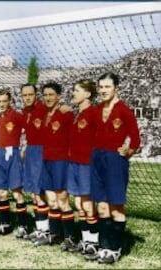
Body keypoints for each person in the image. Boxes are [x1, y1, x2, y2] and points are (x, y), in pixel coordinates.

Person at [87, 72, 140, 264]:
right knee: (101, 206)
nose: (103, 91)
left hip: (114, 160)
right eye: (100, 87)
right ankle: (104, 247)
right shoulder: (97, 109)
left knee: (115, 206)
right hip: (97, 158)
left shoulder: (124, 110)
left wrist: (128, 150)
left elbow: (136, 138)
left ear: (116, 88)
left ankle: (115, 249)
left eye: (107, 87)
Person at [34, 82, 75, 250]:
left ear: (59, 96)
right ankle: (55, 235)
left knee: (62, 199)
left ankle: (70, 238)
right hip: (46, 160)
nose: (48, 98)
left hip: (61, 161)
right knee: (51, 200)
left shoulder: (66, 114)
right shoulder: (43, 113)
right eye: (45, 95)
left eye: (51, 94)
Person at [0, 89, 27, 238]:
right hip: (0, 154)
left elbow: (29, 131)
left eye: (4, 101)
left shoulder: (17, 117)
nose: (2, 104)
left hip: (14, 154)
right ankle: (5, 224)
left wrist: (24, 148)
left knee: (17, 193)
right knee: (1, 192)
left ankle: (22, 226)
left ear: (10, 101)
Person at [67, 79, 99, 253]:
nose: (73, 93)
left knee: (87, 204)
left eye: (77, 90)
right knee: (79, 203)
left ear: (87, 94)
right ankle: (86, 240)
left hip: (87, 164)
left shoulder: (94, 113)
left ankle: (93, 243)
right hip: (74, 163)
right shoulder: (76, 113)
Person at [19, 83, 50, 243]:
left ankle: (46, 230)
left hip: (42, 152)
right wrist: (24, 148)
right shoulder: (25, 112)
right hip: (31, 151)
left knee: (39, 193)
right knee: (32, 192)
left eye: (30, 94)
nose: (27, 98)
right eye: (24, 95)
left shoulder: (44, 110)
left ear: (36, 94)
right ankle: (40, 228)